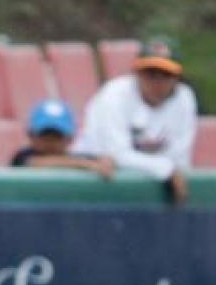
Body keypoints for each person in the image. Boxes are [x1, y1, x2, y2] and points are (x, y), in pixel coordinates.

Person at [76, 36, 197, 203]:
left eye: (165, 74)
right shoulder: (114, 95)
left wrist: (167, 170)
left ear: (177, 78)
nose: (157, 81)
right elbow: (117, 154)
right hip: (95, 178)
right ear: (137, 73)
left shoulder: (184, 98)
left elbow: (178, 159)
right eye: (150, 73)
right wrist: (166, 169)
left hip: (150, 183)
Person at [12, 99, 115, 180]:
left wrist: (105, 162)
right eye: (44, 135)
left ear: (70, 139)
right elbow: (35, 163)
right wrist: (85, 165)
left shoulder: (78, 157)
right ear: (31, 135)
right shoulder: (22, 157)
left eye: (57, 137)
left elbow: (103, 161)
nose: (50, 142)